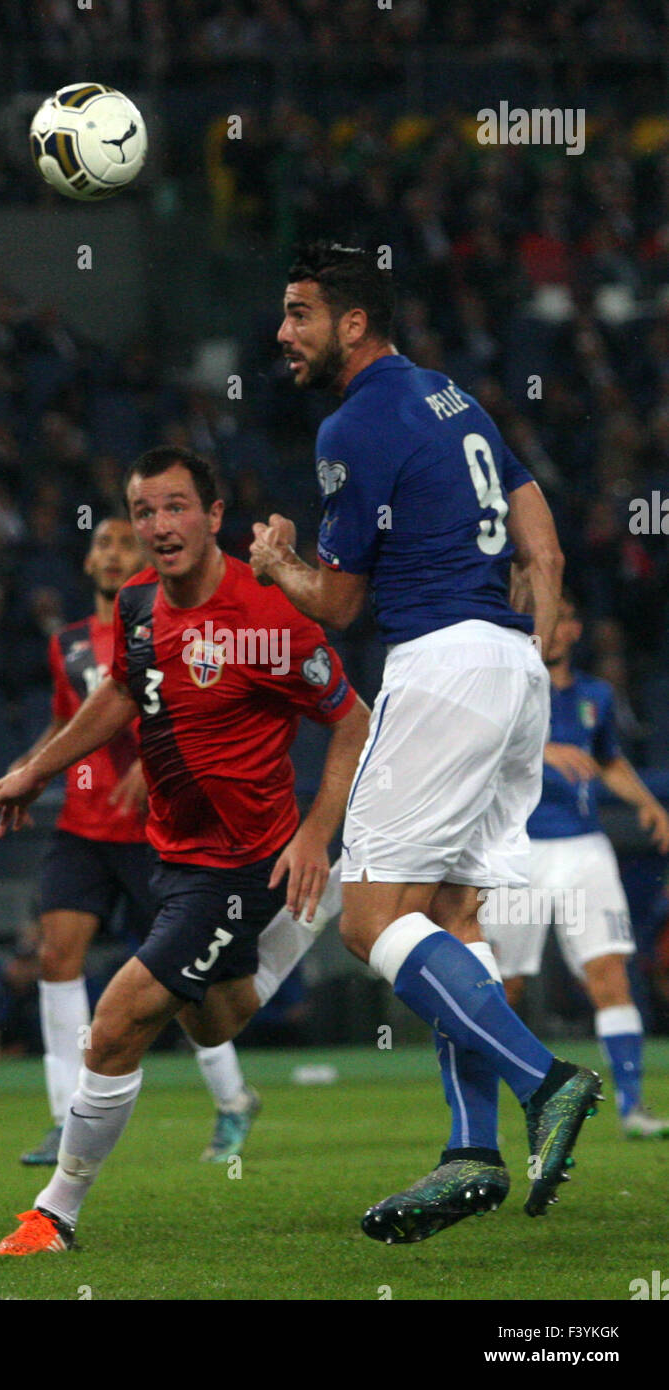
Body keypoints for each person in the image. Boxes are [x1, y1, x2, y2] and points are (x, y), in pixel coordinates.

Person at [249, 240, 602, 1245]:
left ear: (351, 323)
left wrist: (277, 563)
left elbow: (343, 601)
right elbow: (539, 525)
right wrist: (541, 601)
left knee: (367, 922)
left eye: (298, 313)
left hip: (440, 665)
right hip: (506, 662)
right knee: (445, 912)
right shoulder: (452, 396)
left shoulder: (351, 426)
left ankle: (544, 1081)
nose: (283, 334)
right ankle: (469, 1153)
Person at [0, 446, 370, 1255]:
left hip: (243, 858)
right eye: (145, 511)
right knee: (215, 1020)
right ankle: (293, 933)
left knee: (114, 1023)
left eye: (176, 507)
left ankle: (55, 1213)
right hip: (174, 854)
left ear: (215, 515)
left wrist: (313, 836)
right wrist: (32, 771)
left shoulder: (269, 615)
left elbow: (353, 719)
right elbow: (121, 690)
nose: (159, 526)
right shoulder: (139, 604)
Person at [12, 516, 261, 1167]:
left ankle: (233, 1100)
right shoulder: (67, 643)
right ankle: (65, 1116)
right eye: (104, 543)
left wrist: (149, 771)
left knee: (179, 982)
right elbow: (67, 722)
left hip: (157, 835)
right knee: (56, 957)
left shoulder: (165, 626)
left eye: (126, 542)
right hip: (83, 828)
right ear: (91, 564)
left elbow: (199, 709)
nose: (115, 551)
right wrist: (25, 772)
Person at [482, 589, 669, 1137]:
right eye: (543, 616)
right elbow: (479, 750)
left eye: (561, 616)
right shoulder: (507, 689)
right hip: (517, 850)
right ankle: (502, 1110)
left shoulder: (596, 695)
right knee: (504, 987)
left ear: (573, 629)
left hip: (585, 848)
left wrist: (649, 804)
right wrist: (541, 751)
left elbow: (608, 760)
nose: (550, 625)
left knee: (610, 974)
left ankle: (632, 1107)